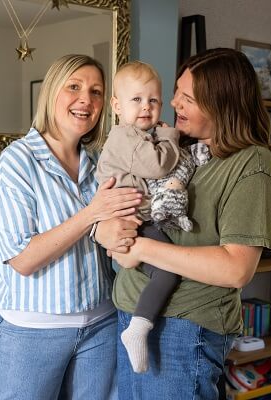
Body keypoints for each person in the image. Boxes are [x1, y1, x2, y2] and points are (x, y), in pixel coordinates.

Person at [96, 48, 271, 399]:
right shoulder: (178, 146)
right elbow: (118, 196)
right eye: (177, 93)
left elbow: (236, 268)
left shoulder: (252, 165)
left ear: (221, 104)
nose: (173, 103)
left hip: (185, 328)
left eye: (188, 98)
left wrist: (139, 247)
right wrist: (104, 231)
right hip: (131, 314)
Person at [0, 54, 142, 400]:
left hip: (101, 326)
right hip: (33, 334)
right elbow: (23, 259)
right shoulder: (18, 160)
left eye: (97, 92)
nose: (86, 99)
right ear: (52, 93)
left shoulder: (102, 164)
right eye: (74, 87)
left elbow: (116, 239)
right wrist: (92, 214)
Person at [95, 61, 196, 373]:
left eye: (153, 100)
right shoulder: (126, 136)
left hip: (138, 218)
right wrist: (169, 135)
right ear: (116, 105)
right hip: (133, 221)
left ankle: (139, 326)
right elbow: (157, 167)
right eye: (136, 99)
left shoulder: (140, 135)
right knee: (167, 272)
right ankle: (138, 329)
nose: (146, 107)